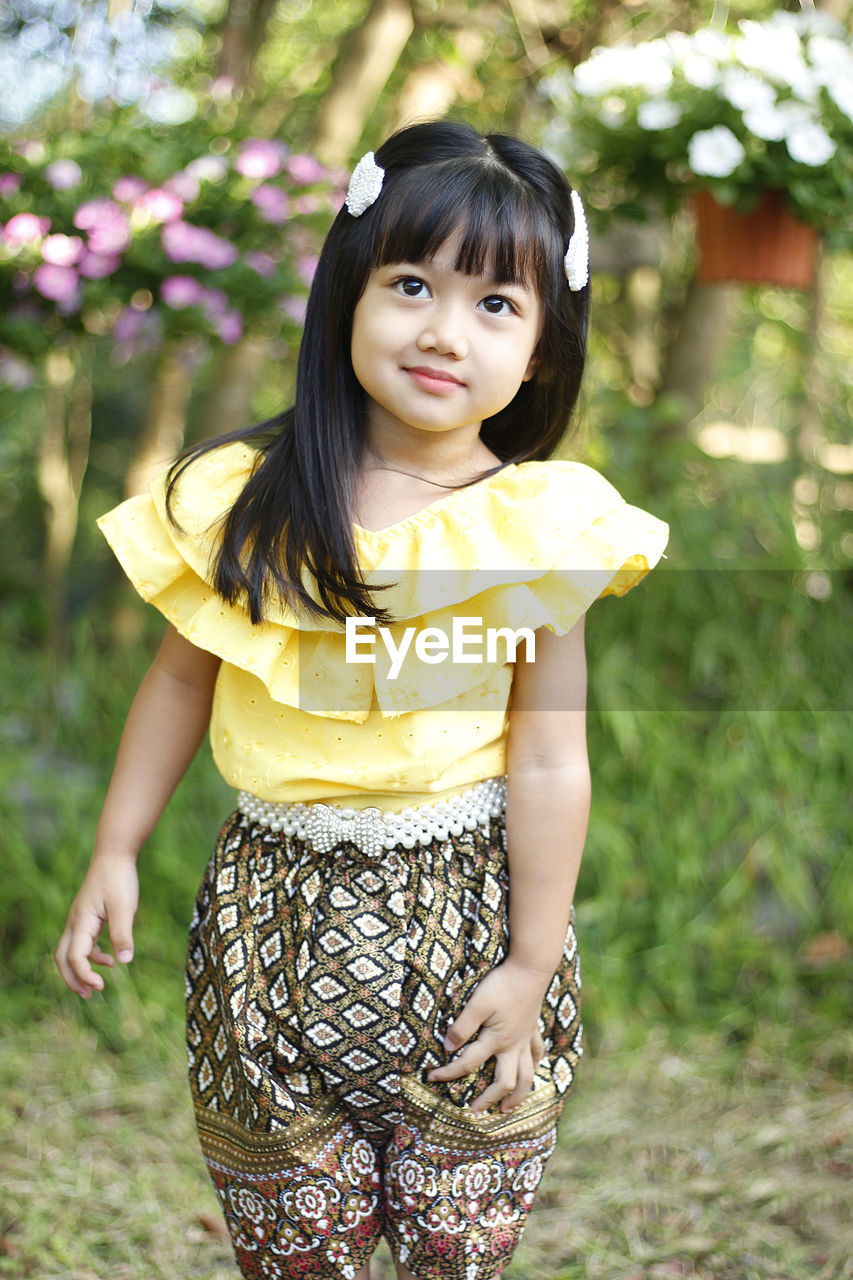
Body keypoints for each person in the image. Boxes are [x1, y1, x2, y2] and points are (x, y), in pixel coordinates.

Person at [55, 120, 668, 1280]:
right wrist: (116, 846)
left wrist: (529, 963)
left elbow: (547, 758)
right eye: (410, 283)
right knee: (292, 1238)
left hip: (468, 917)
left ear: (541, 349)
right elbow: (183, 675)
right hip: (262, 922)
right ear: (348, 288)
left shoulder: (536, 527)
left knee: (456, 1237)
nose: (443, 329)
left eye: (497, 304)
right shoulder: (245, 496)